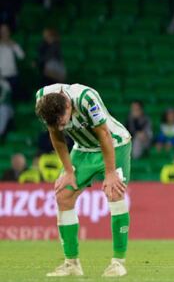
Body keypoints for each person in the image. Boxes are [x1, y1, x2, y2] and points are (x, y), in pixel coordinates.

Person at [35, 83, 131, 277]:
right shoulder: (43, 98)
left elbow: (103, 133)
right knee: (63, 195)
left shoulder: (86, 98)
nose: (62, 127)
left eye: (63, 122)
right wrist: (68, 171)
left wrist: (110, 172)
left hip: (114, 144)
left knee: (114, 192)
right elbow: (55, 133)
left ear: (69, 106)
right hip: (83, 149)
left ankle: (118, 262)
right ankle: (72, 264)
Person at [0, 24, 24, 99]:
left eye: (5, 31)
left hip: (13, 75)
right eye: (2, 31)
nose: (4, 33)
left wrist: (13, 45)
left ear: (9, 32)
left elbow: (21, 56)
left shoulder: (13, 44)